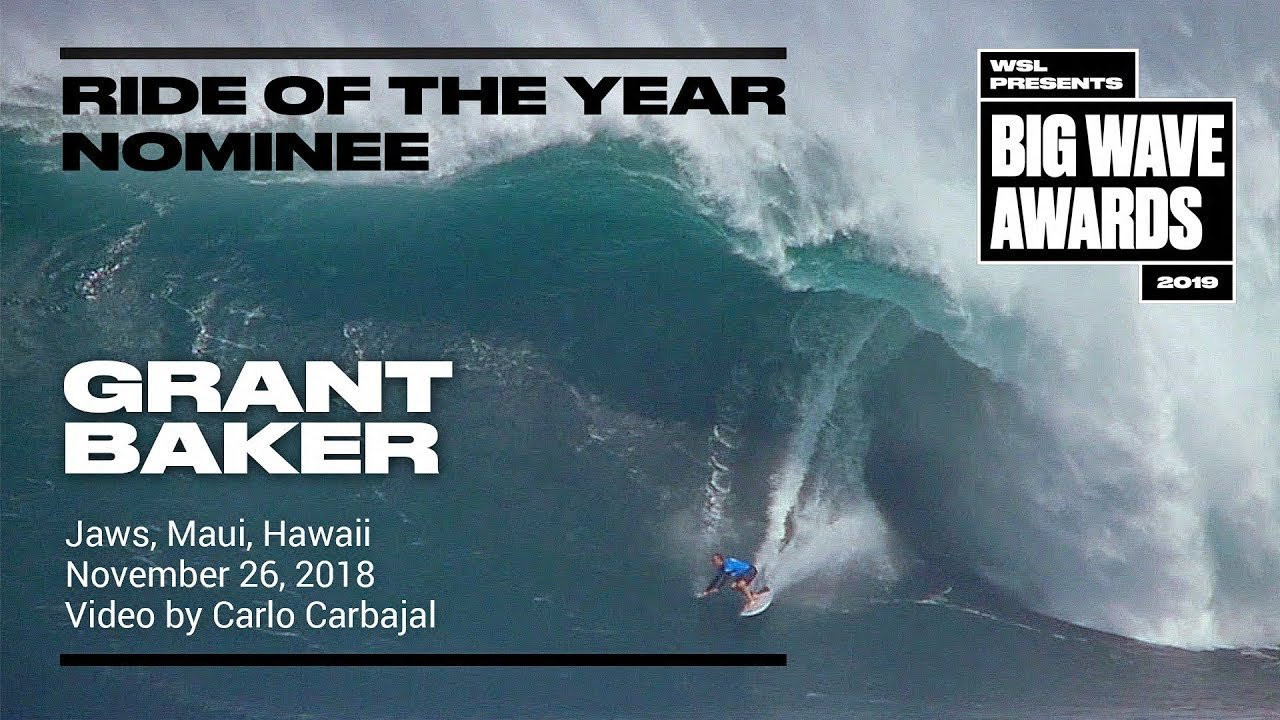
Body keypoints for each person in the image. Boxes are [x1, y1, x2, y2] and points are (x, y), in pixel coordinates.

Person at [696, 552, 766, 604]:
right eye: (713, 561)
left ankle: (751, 601)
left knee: (741, 584)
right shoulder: (721, 568)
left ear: (720, 560)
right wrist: (706, 590)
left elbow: (725, 578)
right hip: (742, 574)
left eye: (714, 561)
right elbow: (716, 580)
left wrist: (718, 588)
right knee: (733, 586)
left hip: (750, 570)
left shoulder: (727, 565)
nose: (713, 563)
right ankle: (754, 595)